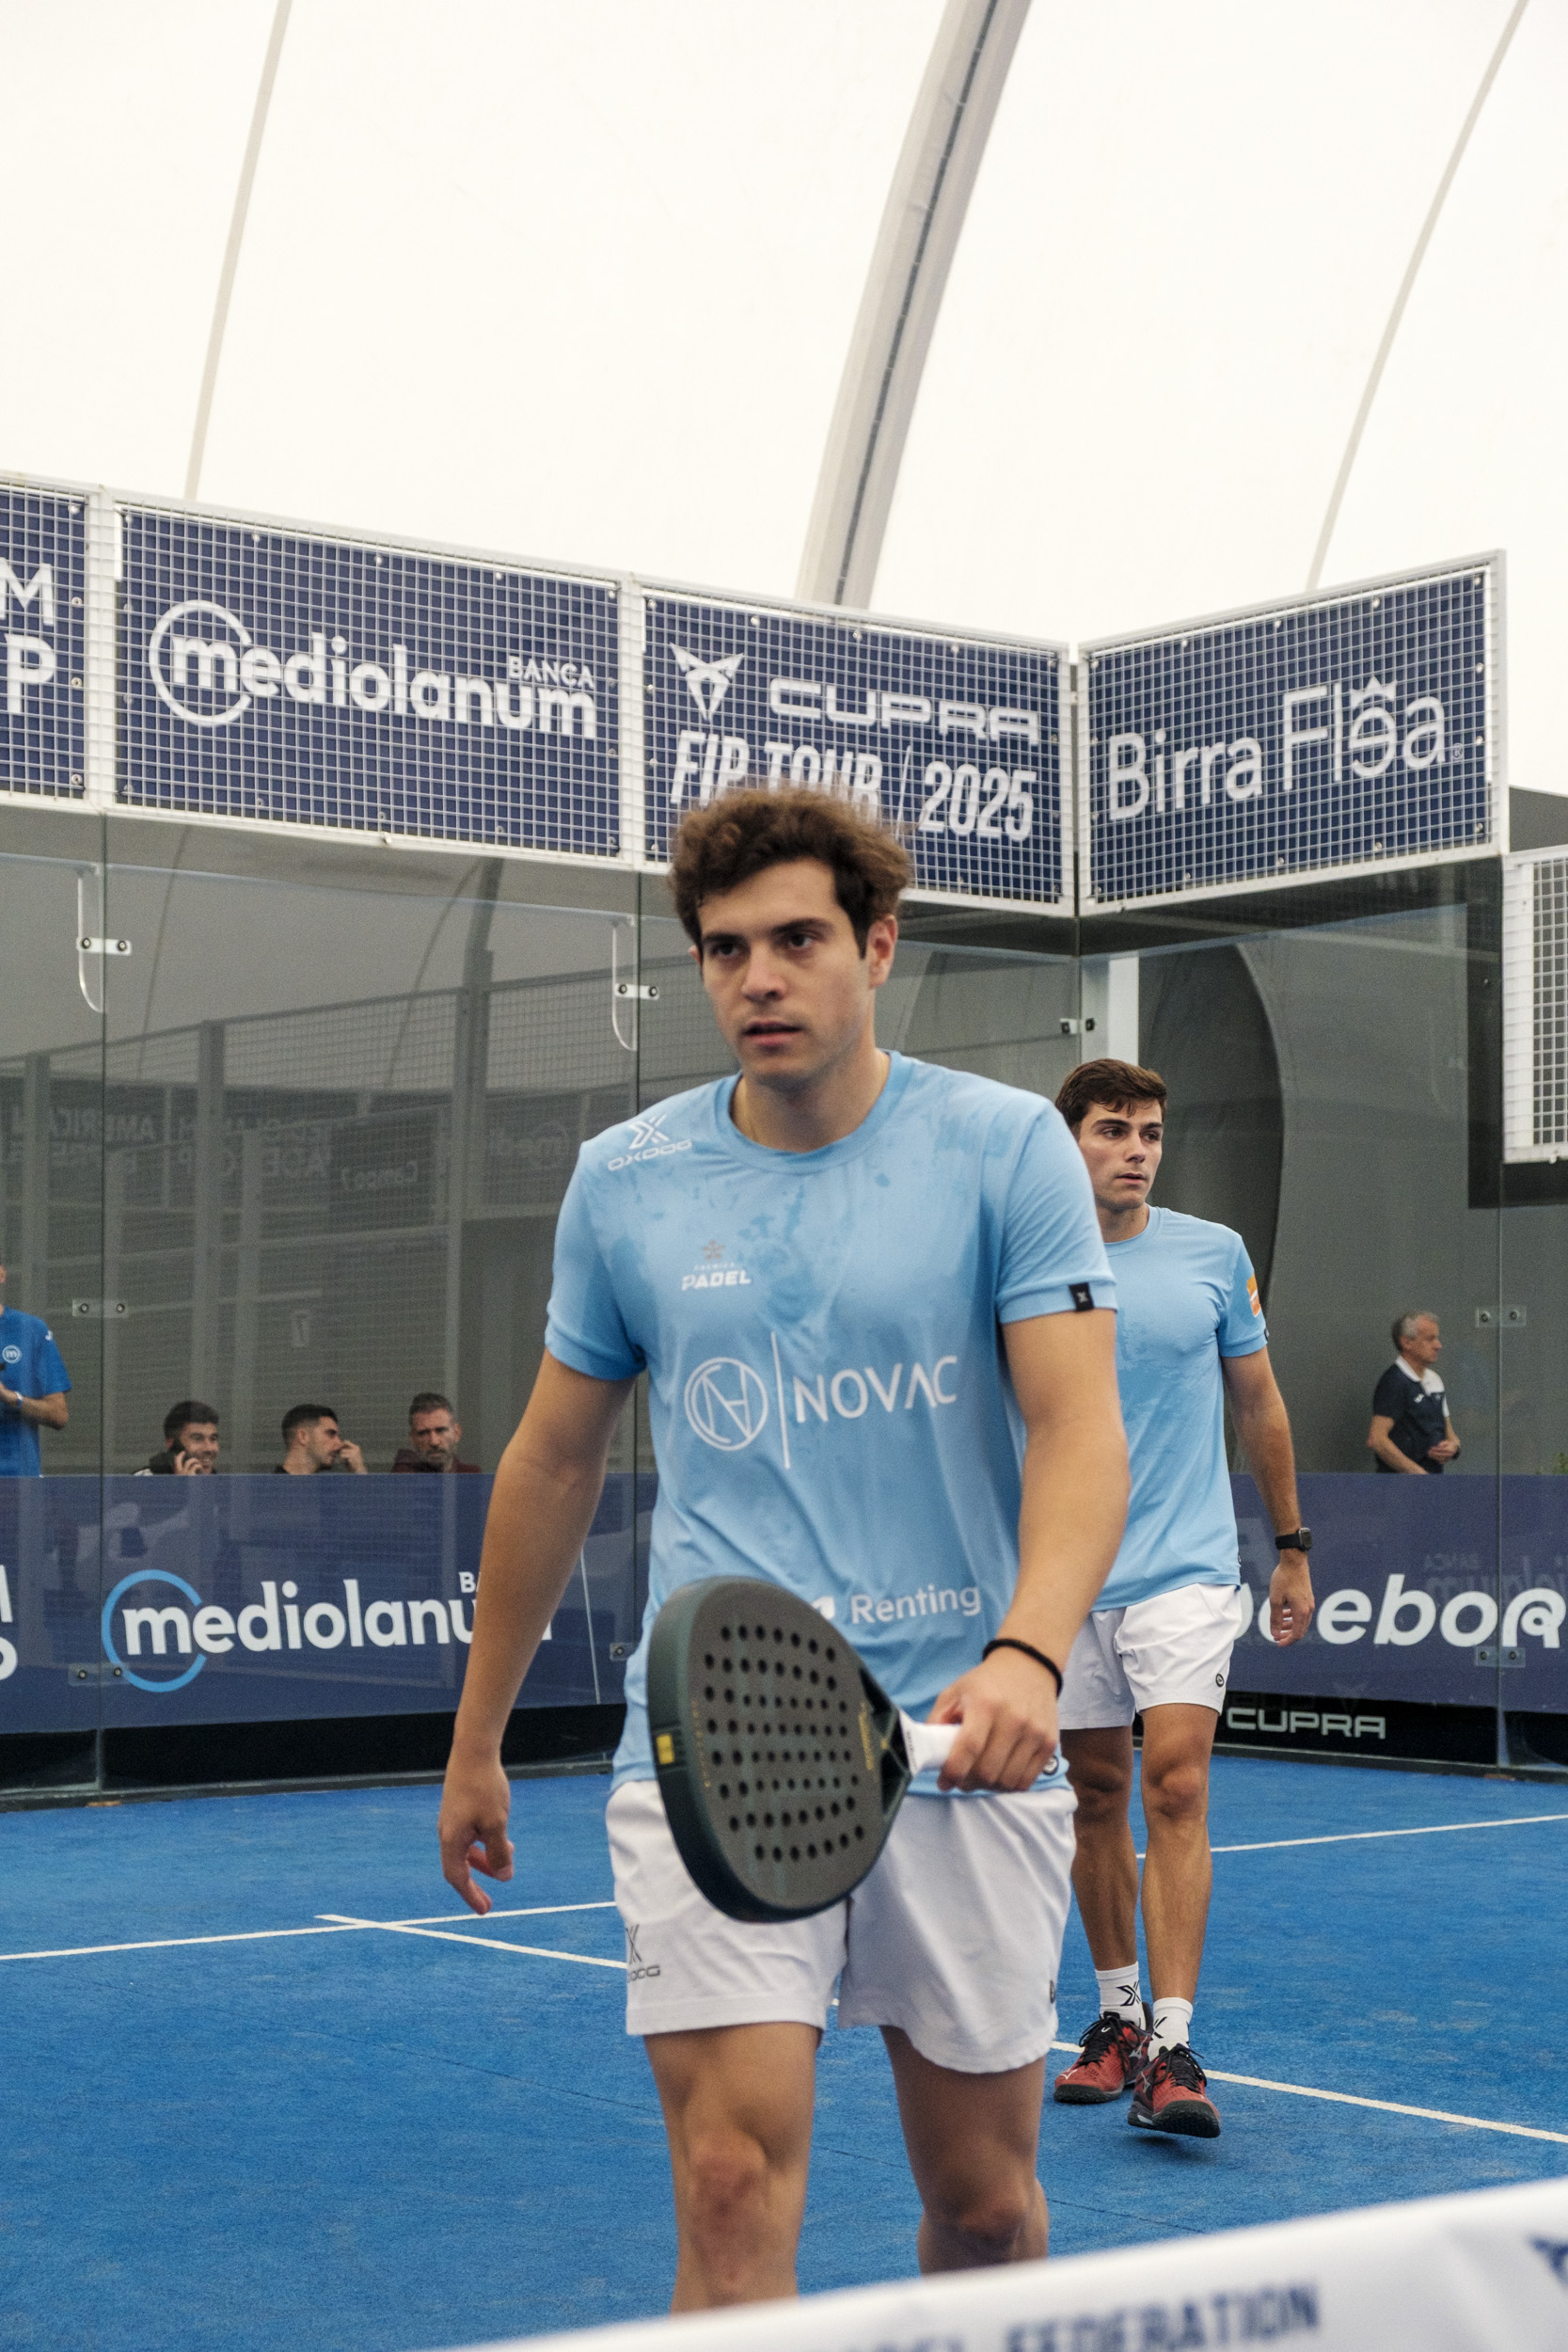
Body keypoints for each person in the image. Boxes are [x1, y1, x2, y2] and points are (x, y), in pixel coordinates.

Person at [439, 787, 1129, 2309]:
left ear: (876, 947)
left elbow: (1079, 1430)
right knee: (727, 2184)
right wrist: (476, 1736)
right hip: (717, 1746)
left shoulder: (1004, 1147)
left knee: (985, 2215)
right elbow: (552, 1459)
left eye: (798, 940)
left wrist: (1026, 1654)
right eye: (724, 949)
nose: (757, 977)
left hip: (958, 1745)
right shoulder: (625, 1180)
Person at [1050, 1059, 1314, 2139]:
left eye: (1149, 1132)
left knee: (1174, 1782)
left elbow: (1257, 1403)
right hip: (1063, 1575)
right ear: (1067, 1139)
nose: (1136, 1150)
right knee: (1093, 1790)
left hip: (1187, 1570)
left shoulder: (1214, 1253)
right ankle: (1113, 2017)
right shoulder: (1017, 1258)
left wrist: (1289, 1546)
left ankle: (1170, 2041)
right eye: (1112, 1129)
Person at [0, 1261, 71, 1475]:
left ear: (1, 1275)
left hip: (18, 1480)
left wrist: (11, 1398)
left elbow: (59, 1415)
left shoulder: (30, 1329)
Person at [1368, 1314, 1461, 1474]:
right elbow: (1377, 1439)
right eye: (1430, 1339)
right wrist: (1417, 1474)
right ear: (1406, 1343)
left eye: (1437, 1338)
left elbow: (1450, 1434)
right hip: (1400, 1483)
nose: (1438, 1346)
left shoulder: (1435, 1380)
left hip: (1434, 1478)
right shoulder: (1394, 1382)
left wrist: (1453, 1447)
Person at [391, 1391, 480, 1472]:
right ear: (413, 1439)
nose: (434, 1442)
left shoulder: (473, 1476)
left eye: (441, 1430)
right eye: (423, 1433)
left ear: (456, 1433)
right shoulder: (404, 1478)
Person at [274, 1404, 367, 1474]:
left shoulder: (326, 1490)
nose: (339, 1443)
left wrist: (359, 1471)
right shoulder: (270, 1489)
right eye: (330, 1434)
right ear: (303, 1436)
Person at [139, 1401, 221, 1475]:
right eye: (197, 1438)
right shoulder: (141, 1481)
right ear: (172, 1444)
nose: (208, 1449)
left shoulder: (223, 1484)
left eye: (213, 1439)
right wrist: (182, 1484)